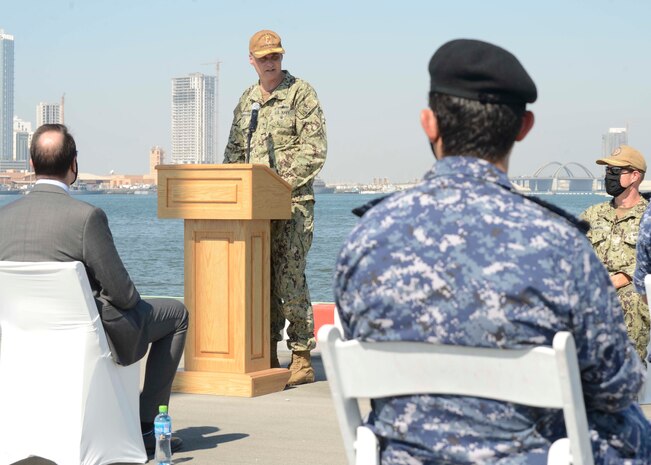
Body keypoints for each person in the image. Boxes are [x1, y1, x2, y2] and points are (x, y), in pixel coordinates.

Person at [333, 39, 651, 464]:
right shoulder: (561, 245)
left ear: (429, 124)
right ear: (523, 127)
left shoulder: (365, 238)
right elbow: (616, 385)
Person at [0, 124, 188, 454]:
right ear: (73, 164)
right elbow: (124, 295)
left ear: (31, 165)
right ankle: (147, 428)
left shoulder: (4, 218)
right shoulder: (86, 217)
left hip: (21, 335)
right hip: (83, 339)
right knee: (177, 314)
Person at [223, 29, 327, 385]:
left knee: (289, 277)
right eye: (264, 58)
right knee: (258, 280)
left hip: (293, 203)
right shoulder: (246, 100)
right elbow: (234, 154)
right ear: (251, 61)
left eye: (276, 56)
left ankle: (301, 357)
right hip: (253, 210)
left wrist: (276, 184)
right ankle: (264, 352)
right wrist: (231, 190)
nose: (271, 63)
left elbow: (314, 150)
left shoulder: (301, 94)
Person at [581, 146, 650, 362]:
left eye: (615, 171)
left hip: (632, 292)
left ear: (635, 176)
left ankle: (630, 374)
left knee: (630, 298)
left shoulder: (647, 217)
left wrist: (620, 279)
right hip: (594, 289)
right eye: (607, 171)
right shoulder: (593, 214)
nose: (608, 176)